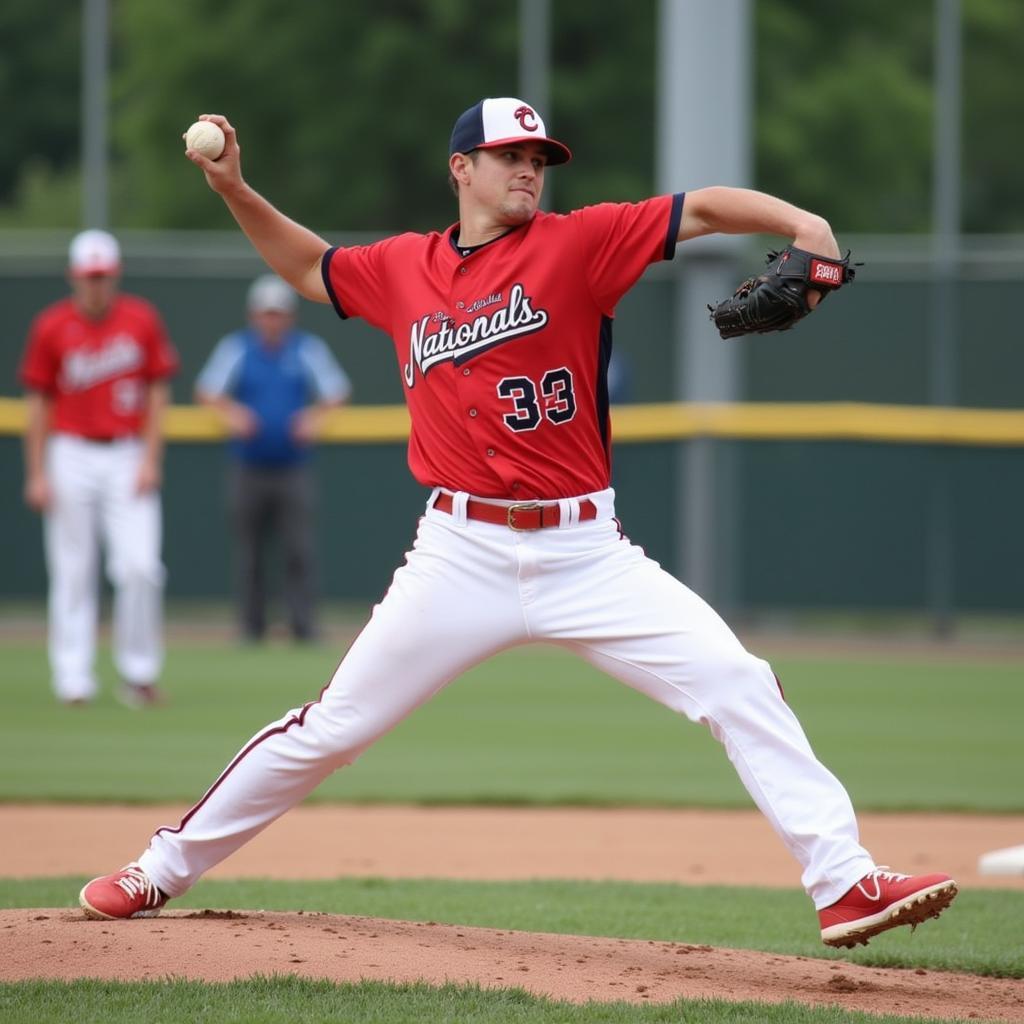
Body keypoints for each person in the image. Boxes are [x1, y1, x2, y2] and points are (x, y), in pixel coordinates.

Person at [79, 100, 958, 948]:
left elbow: (711, 209)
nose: (529, 171)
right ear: (462, 168)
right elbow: (312, 269)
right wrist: (236, 190)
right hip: (459, 552)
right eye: (511, 158)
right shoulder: (402, 267)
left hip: (587, 552)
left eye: (538, 160)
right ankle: (161, 868)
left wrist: (806, 223)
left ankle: (843, 883)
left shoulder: (581, 242)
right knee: (333, 728)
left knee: (738, 681)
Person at [19, 229, 179, 707]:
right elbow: (38, 404)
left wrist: (152, 458)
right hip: (70, 451)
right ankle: (73, 677)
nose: (96, 285)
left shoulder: (140, 319)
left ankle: (139, 673)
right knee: (72, 568)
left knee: (140, 567)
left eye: (103, 276)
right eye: (89, 276)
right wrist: (36, 472)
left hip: (127, 450)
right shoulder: (51, 326)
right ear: (74, 276)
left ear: (116, 275)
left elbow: (157, 392)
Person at [195, 274, 352, 643]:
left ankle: (303, 625)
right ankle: (252, 627)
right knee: (249, 551)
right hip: (248, 466)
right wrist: (234, 414)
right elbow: (207, 390)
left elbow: (337, 391)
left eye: (278, 313)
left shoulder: (306, 350)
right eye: (266, 313)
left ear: (290, 316)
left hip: (292, 467)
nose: (272, 320)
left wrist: (313, 419)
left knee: (298, 549)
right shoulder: (236, 349)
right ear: (254, 315)